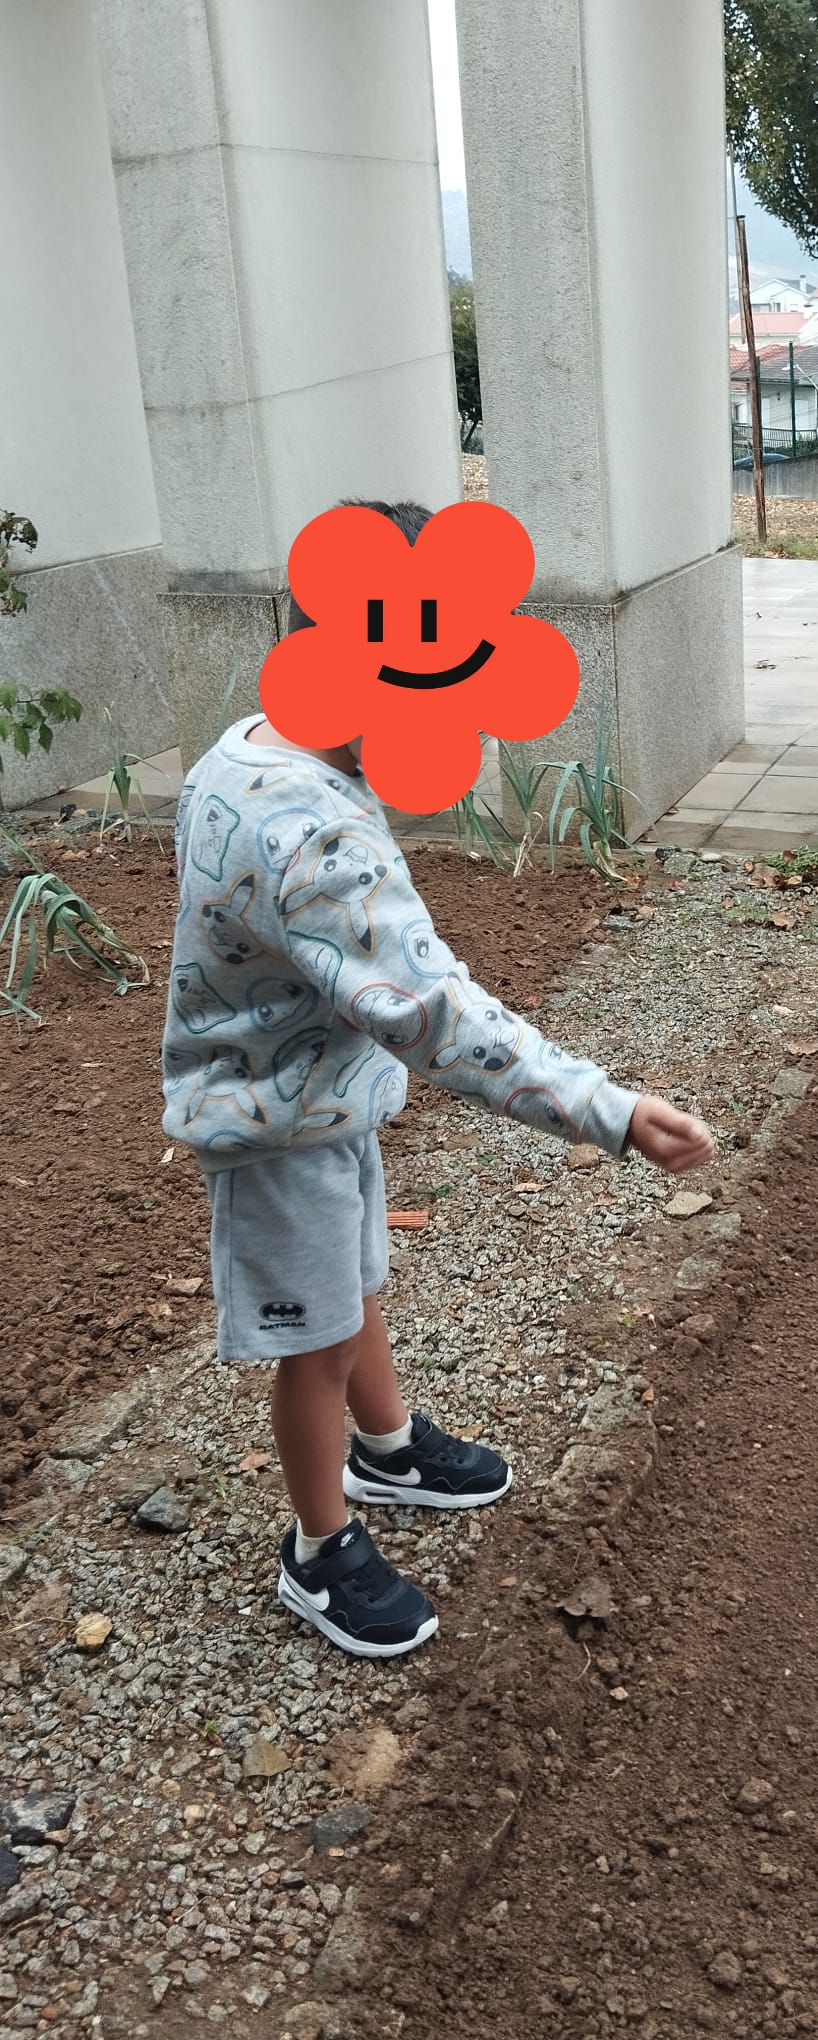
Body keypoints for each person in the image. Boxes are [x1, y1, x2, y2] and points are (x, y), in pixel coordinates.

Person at [160, 498, 713, 1659]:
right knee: (314, 1337)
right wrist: (606, 1110)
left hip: (314, 1092)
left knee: (356, 1285)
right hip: (274, 1127)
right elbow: (434, 1013)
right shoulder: (314, 836)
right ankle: (319, 1551)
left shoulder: (251, 744)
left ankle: (390, 1444)